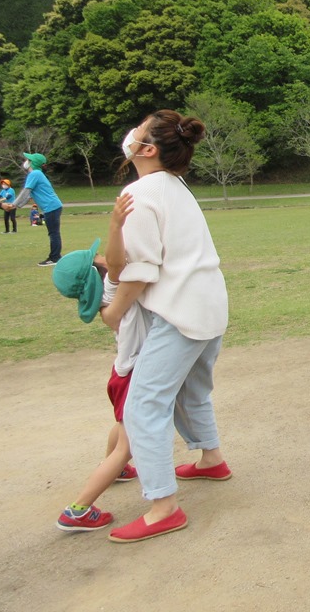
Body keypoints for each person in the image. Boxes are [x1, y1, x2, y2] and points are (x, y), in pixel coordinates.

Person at [100, 110, 231, 543]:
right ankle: (211, 458)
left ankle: (163, 507)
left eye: (137, 130)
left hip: (180, 313)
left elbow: (139, 270)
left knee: (143, 407)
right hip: (209, 306)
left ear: (148, 149)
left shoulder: (139, 192)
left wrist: (114, 311)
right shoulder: (175, 187)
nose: (131, 134)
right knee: (192, 390)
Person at [53, 194, 153, 532]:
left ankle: (117, 469)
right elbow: (115, 262)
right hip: (134, 374)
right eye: (96, 257)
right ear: (95, 271)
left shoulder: (106, 301)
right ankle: (78, 510)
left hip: (120, 375)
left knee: (120, 428)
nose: (102, 256)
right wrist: (115, 224)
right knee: (127, 445)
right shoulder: (112, 289)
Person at [3, 152, 63, 265]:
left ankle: (55, 258)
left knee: (53, 233)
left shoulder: (35, 173)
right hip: (53, 207)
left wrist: (13, 205)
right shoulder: (37, 174)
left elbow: (26, 191)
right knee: (54, 233)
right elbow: (29, 195)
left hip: (52, 207)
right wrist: (16, 206)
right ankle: (55, 256)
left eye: (29, 160)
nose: (26, 162)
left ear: (33, 163)